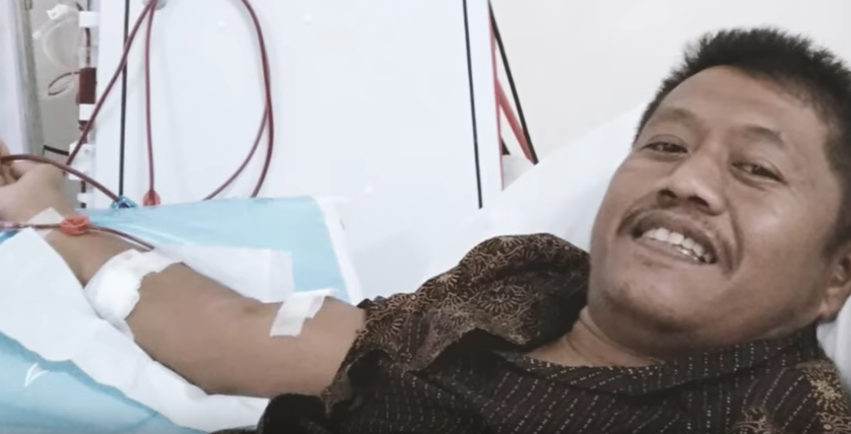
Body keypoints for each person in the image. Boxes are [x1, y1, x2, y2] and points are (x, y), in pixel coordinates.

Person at [2, 26, 851, 433]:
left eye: (756, 168)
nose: (685, 179)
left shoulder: (775, 413)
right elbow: (246, 335)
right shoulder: (515, 290)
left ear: (835, 275)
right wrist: (49, 214)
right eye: (664, 144)